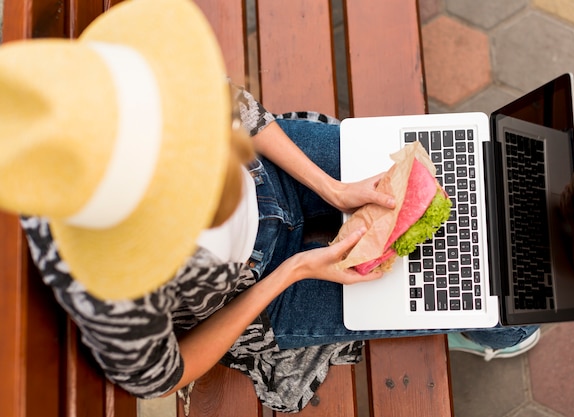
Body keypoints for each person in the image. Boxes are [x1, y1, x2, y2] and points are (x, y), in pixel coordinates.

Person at [0, 0, 540, 413]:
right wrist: (295, 271)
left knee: (464, 182)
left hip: (281, 170)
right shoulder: (107, 291)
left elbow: (235, 107)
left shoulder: (120, 91)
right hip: (258, 294)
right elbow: (164, 375)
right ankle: (490, 332)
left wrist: (333, 188)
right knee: (485, 297)